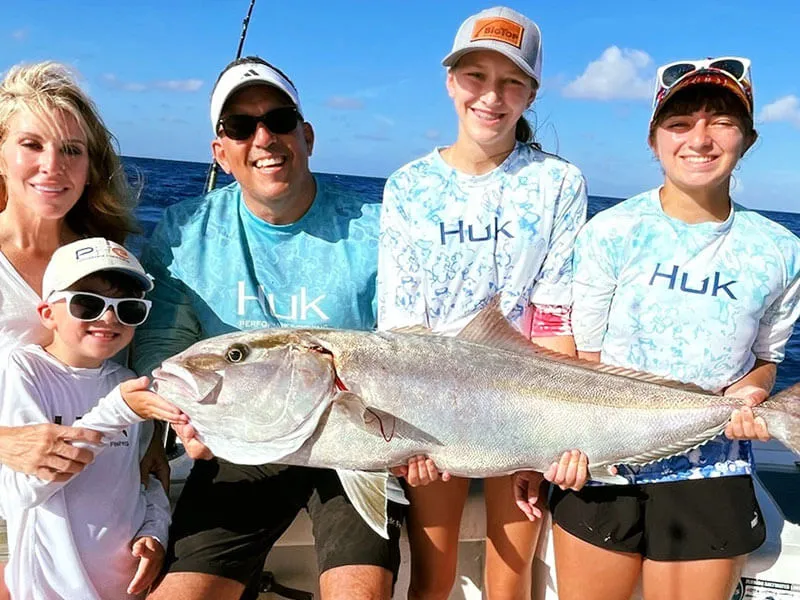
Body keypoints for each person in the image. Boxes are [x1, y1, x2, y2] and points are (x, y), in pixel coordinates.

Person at [133, 56, 404, 600]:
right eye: (239, 126)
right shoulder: (185, 230)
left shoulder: (374, 228)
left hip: (354, 441)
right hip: (242, 444)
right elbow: (162, 351)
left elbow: (409, 347)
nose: (263, 138)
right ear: (220, 152)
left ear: (305, 136)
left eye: (278, 120)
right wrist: (182, 421)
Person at [548, 57, 800, 600]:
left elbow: (766, 358)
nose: (700, 139)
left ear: (748, 139)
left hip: (711, 470)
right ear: (654, 138)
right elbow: (583, 362)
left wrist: (755, 392)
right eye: (680, 123)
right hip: (605, 467)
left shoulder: (781, 251)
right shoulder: (610, 232)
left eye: (722, 121)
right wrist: (567, 443)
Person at [377, 7, 589, 599]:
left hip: (524, 399)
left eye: (511, 82)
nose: (491, 97)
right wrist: (408, 431)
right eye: (475, 76)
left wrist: (544, 439)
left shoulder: (559, 183)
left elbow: (554, 314)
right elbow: (401, 321)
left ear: (532, 93)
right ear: (450, 82)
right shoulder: (407, 186)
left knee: (511, 575)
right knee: (432, 571)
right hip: (427, 399)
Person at [0, 61, 169, 599]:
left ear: (92, 165)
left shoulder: (111, 260)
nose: (53, 166)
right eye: (32, 144)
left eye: (72, 149)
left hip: (95, 506)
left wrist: (150, 461)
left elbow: (124, 373)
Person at [0, 237, 181, 599]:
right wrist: (117, 412)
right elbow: (25, 489)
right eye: (88, 304)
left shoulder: (128, 384)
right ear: (47, 313)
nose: (109, 317)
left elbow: (145, 483)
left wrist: (155, 531)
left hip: (128, 588)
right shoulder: (25, 371)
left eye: (128, 309)